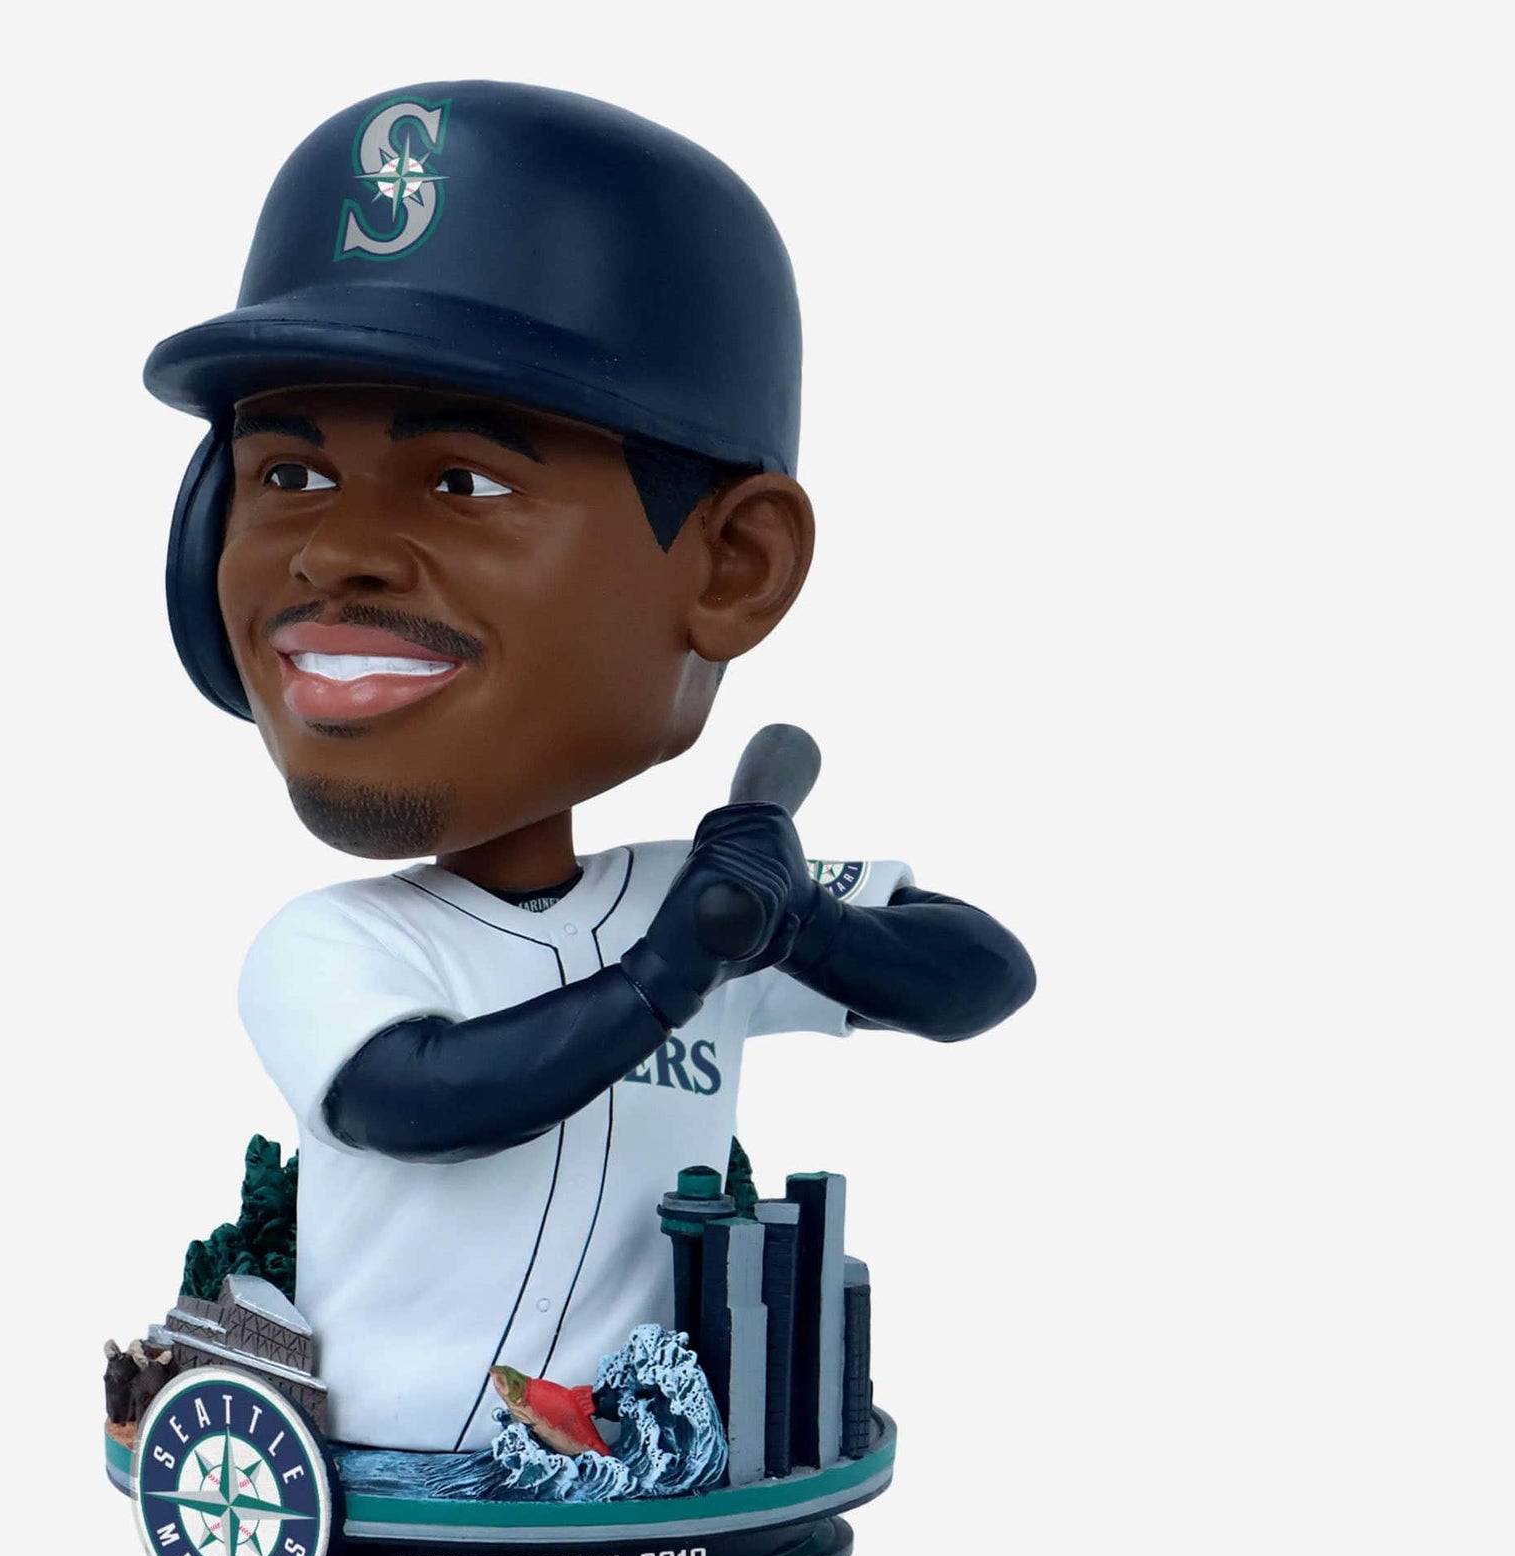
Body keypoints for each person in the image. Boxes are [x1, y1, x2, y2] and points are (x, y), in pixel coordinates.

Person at [143, 84, 1033, 1452]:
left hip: (628, 1484)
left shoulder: (697, 901)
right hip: (383, 1490)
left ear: (733, 567)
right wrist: (671, 973)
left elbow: (982, 977)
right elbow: (423, 1099)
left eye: (463, 483)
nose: (334, 553)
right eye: (289, 479)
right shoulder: (331, 948)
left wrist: (801, 922)